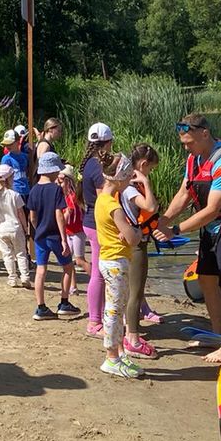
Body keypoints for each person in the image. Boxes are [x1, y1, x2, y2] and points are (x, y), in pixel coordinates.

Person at [156, 114, 221, 363]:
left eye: (189, 142)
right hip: (209, 229)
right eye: (184, 143)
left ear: (204, 134)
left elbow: (211, 210)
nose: (186, 147)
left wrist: (175, 230)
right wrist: (162, 221)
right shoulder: (193, 159)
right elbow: (183, 195)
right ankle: (217, 335)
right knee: (207, 281)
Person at [94, 153, 145, 378]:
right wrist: (138, 231)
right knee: (114, 310)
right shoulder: (113, 205)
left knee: (118, 307)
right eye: (127, 178)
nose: (129, 181)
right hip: (116, 261)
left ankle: (120, 352)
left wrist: (129, 233)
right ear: (119, 178)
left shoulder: (101, 200)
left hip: (110, 258)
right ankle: (111, 357)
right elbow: (132, 238)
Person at [119, 143, 161, 359]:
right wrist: (145, 181)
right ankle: (132, 338)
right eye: (150, 169)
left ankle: (128, 332)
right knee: (136, 293)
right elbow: (151, 207)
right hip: (137, 245)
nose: (149, 173)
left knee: (130, 292)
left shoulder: (123, 183)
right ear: (143, 164)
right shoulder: (132, 188)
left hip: (132, 243)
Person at [26, 152, 81, 320]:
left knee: (41, 270)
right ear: (52, 170)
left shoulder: (34, 189)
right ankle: (64, 302)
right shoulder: (56, 190)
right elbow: (59, 214)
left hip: (40, 236)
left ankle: (41, 307)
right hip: (55, 236)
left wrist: (38, 228)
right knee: (68, 267)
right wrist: (64, 239)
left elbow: (32, 217)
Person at [80, 122, 114, 338]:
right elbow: (104, 198)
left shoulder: (89, 164)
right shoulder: (99, 167)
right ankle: (94, 321)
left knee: (97, 270)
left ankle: (97, 317)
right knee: (99, 272)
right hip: (97, 222)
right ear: (108, 142)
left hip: (90, 220)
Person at [0, 164, 31, 288]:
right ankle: (25, 276)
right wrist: (25, 227)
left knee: (7, 255)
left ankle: (12, 278)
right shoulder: (14, 195)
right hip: (15, 228)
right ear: (8, 179)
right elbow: (20, 212)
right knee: (21, 253)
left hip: (1, 229)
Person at [59, 164, 86, 288]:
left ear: (67, 181)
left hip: (76, 232)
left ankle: (97, 278)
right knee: (68, 261)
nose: (58, 183)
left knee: (79, 260)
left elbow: (65, 219)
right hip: (69, 232)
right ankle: (73, 286)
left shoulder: (72, 197)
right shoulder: (63, 197)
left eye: (60, 180)